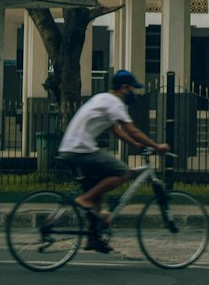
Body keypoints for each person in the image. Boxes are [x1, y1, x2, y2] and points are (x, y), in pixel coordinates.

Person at [57, 70, 168, 252]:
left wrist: (136, 146)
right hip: (80, 149)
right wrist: (157, 146)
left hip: (70, 148)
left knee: (99, 190)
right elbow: (131, 129)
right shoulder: (115, 103)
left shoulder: (103, 99)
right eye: (133, 88)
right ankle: (84, 199)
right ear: (124, 88)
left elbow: (116, 130)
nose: (135, 92)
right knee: (122, 172)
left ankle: (93, 238)